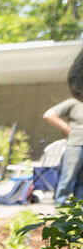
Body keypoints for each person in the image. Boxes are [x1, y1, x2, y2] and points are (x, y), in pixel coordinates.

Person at [42, 50, 83, 206]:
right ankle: (60, 204)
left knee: (82, 181)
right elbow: (49, 114)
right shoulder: (74, 102)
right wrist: (67, 128)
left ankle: (79, 208)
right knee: (68, 175)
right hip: (75, 144)